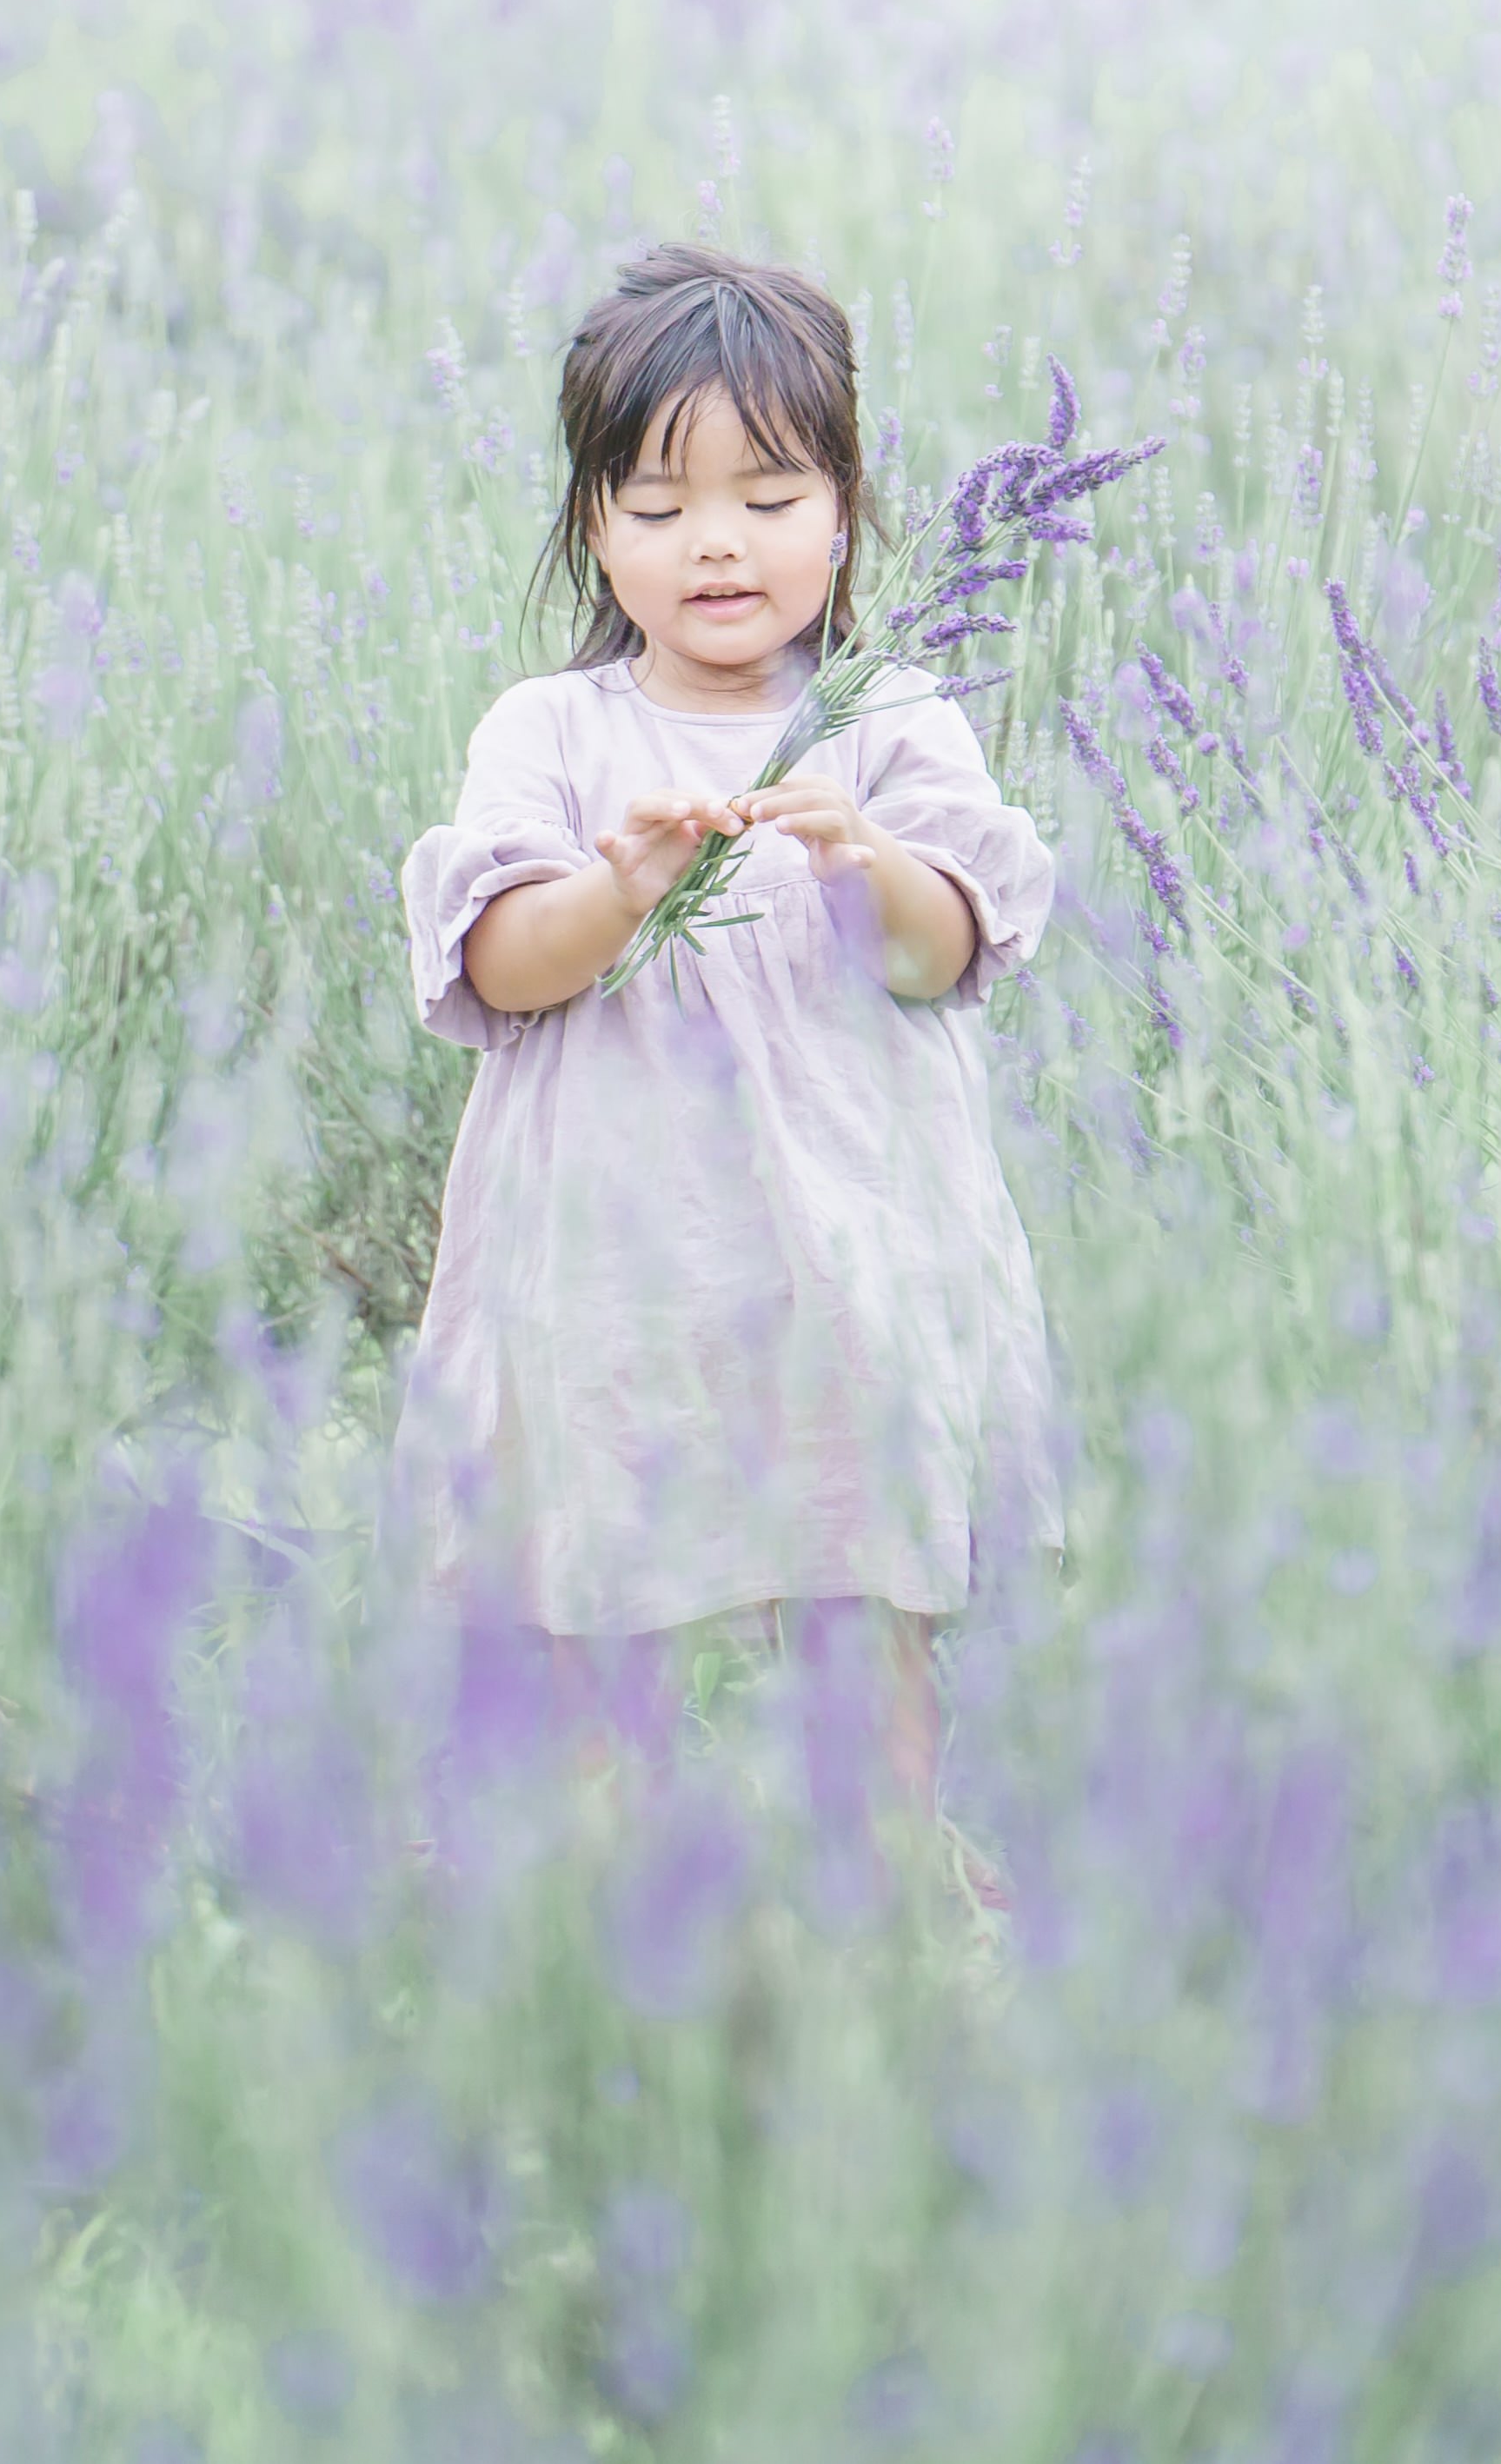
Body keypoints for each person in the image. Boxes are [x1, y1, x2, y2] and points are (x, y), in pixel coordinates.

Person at [392, 242, 1060, 1900]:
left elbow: (943, 951)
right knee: (597, 1557)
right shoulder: (552, 733)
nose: (717, 542)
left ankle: (887, 1868)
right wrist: (617, 890)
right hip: (616, 1252)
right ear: (592, 525)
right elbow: (497, 965)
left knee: (862, 1559)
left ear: (843, 513)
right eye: (660, 502)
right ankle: (600, 1878)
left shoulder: (887, 718)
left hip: (850, 1233)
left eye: (769, 498)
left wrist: (863, 863)